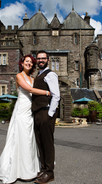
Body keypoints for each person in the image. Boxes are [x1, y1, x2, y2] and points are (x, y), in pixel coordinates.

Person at [0, 55, 50, 184]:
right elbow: (30, 89)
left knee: (29, 139)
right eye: (27, 61)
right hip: (21, 110)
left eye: (31, 62)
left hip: (30, 111)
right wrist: (47, 93)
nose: (29, 64)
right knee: (21, 138)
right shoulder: (19, 76)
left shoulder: (33, 78)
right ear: (22, 63)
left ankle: (30, 170)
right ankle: (18, 171)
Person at [32, 50, 60, 184]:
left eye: (43, 58)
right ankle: (44, 169)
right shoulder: (39, 74)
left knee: (47, 143)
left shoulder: (51, 74)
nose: (40, 60)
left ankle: (50, 172)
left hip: (45, 112)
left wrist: (49, 114)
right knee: (40, 142)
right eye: (38, 59)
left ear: (48, 60)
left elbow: (56, 95)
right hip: (38, 112)